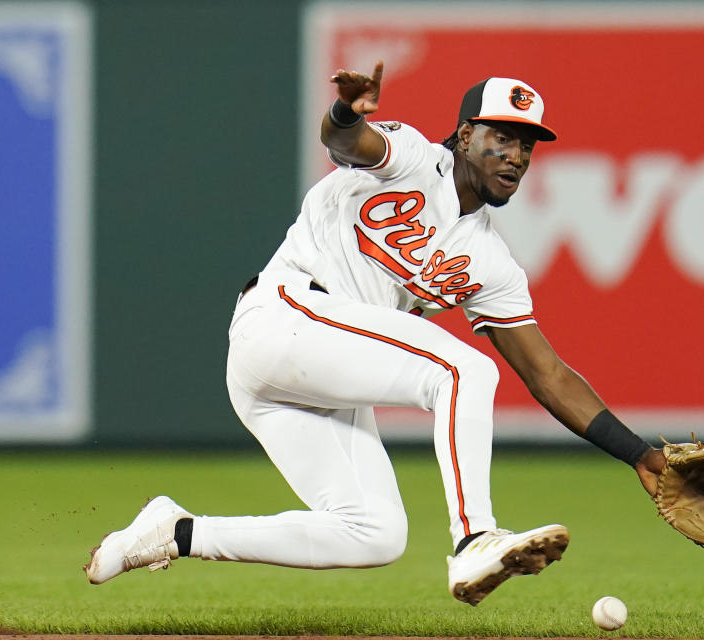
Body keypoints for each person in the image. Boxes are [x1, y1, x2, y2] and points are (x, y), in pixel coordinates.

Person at [83, 62, 665, 606]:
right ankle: (475, 540)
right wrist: (345, 114)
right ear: (463, 136)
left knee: (373, 533)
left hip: (311, 375)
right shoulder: (413, 157)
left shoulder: (492, 262)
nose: (515, 155)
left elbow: (549, 376)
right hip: (286, 315)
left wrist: (640, 454)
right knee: (463, 370)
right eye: (501, 137)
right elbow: (347, 143)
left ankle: (176, 533)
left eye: (526, 145)